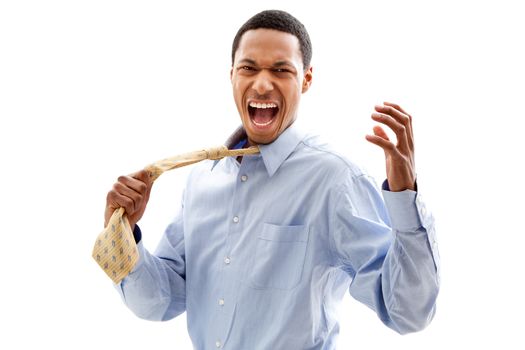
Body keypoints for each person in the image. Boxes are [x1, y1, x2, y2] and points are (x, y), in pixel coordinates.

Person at [103, 9, 440, 349]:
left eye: (281, 70)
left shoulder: (334, 180)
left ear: (306, 79)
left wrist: (404, 196)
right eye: (249, 68)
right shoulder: (203, 179)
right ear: (232, 74)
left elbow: (407, 312)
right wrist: (122, 233)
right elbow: (160, 301)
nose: (262, 84)